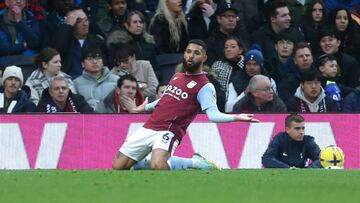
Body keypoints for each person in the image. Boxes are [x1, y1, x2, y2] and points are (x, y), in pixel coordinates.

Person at [112, 39, 259, 171]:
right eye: (188, 52)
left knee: (158, 165)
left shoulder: (205, 86)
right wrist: (142, 107)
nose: (190, 56)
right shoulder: (177, 76)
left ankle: (194, 163)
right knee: (118, 166)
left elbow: (213, 115)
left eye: (196, 53)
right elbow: (166, 99)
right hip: (150, 126)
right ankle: (143, 163)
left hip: (169, 130)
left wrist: (236, 117)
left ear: (204, 58)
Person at [251, 1, 304, 65]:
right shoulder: (259, 37)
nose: (289, 18)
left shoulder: (296, 35)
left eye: (288, 14)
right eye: (284, 15)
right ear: (273, 19)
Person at [0, 0, 41, 65]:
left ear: (25, 3)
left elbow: (35, 43)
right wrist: (22, 46)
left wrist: (20, 21)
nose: (19, 1)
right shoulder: (1, 19)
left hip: (29, 62)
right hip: (5, 64)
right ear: (7, 2)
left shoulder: (31, 18)